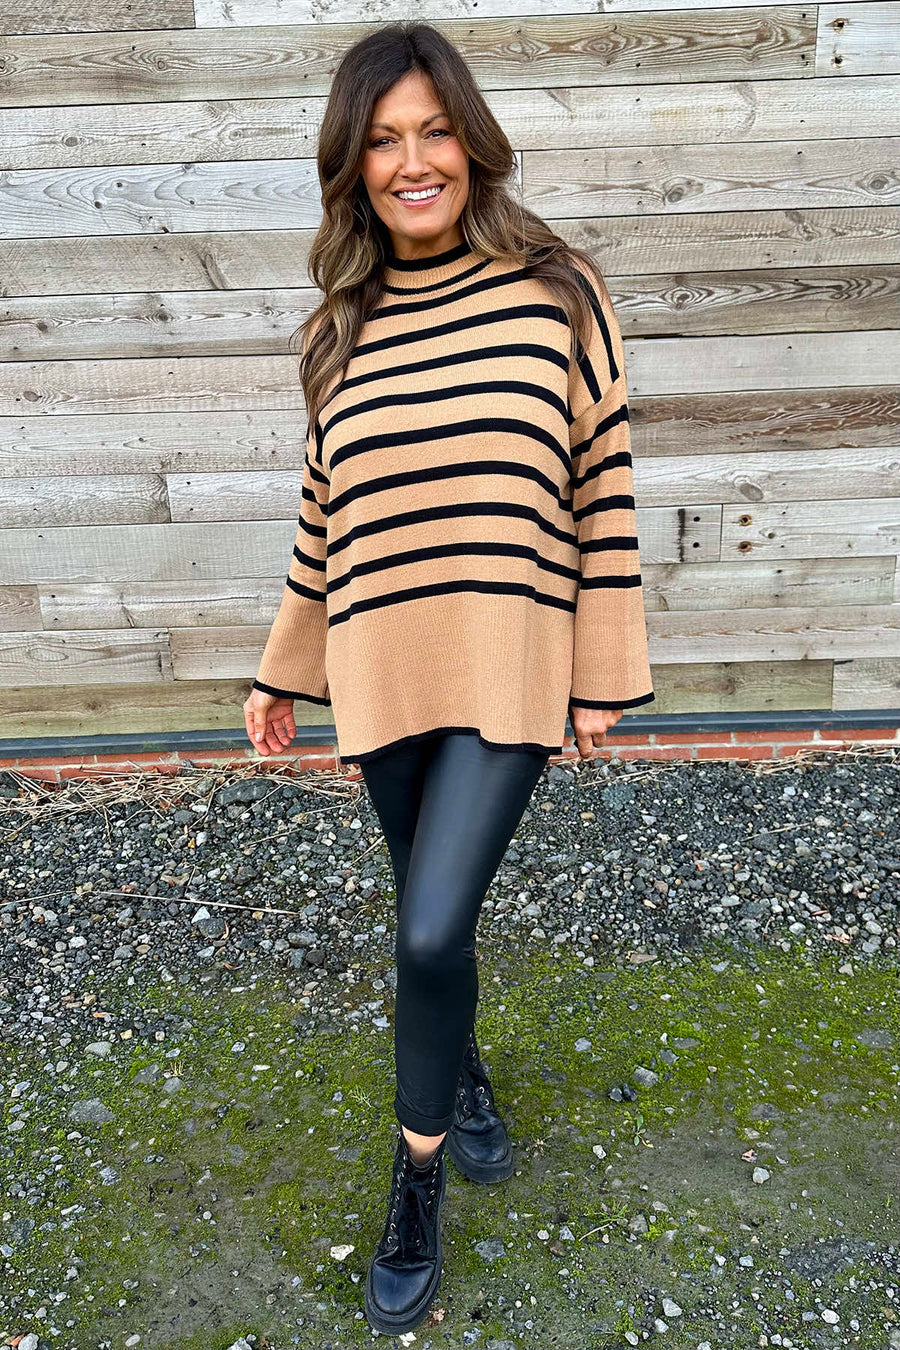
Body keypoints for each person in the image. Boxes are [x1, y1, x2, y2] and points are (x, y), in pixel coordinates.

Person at [241, 20, 655, 1335]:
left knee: (424, 930)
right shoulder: (336, 332)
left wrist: (603, 670)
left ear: (471, 144)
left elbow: (603, 485)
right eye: (382, 141)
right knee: (435, 911)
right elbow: (325, 517)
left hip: (510, 662)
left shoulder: (559, 292)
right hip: (380, 665)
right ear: (352, 167)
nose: (412, 162)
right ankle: (460, 1069)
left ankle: (414, 1179)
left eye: (432, 132)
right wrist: (282, 667)